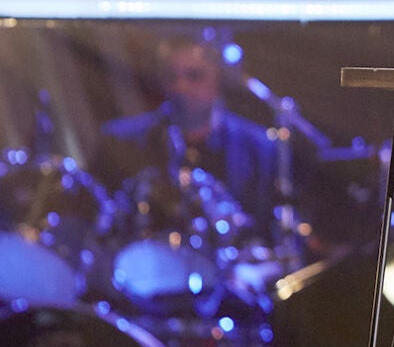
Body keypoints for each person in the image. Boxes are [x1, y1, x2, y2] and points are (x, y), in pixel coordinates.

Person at [93, 33, 278, 222]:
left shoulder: (260, 148)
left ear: (219, 79)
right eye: (171, 77)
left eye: (194, 76)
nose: (181, 87)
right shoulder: (121, 141)